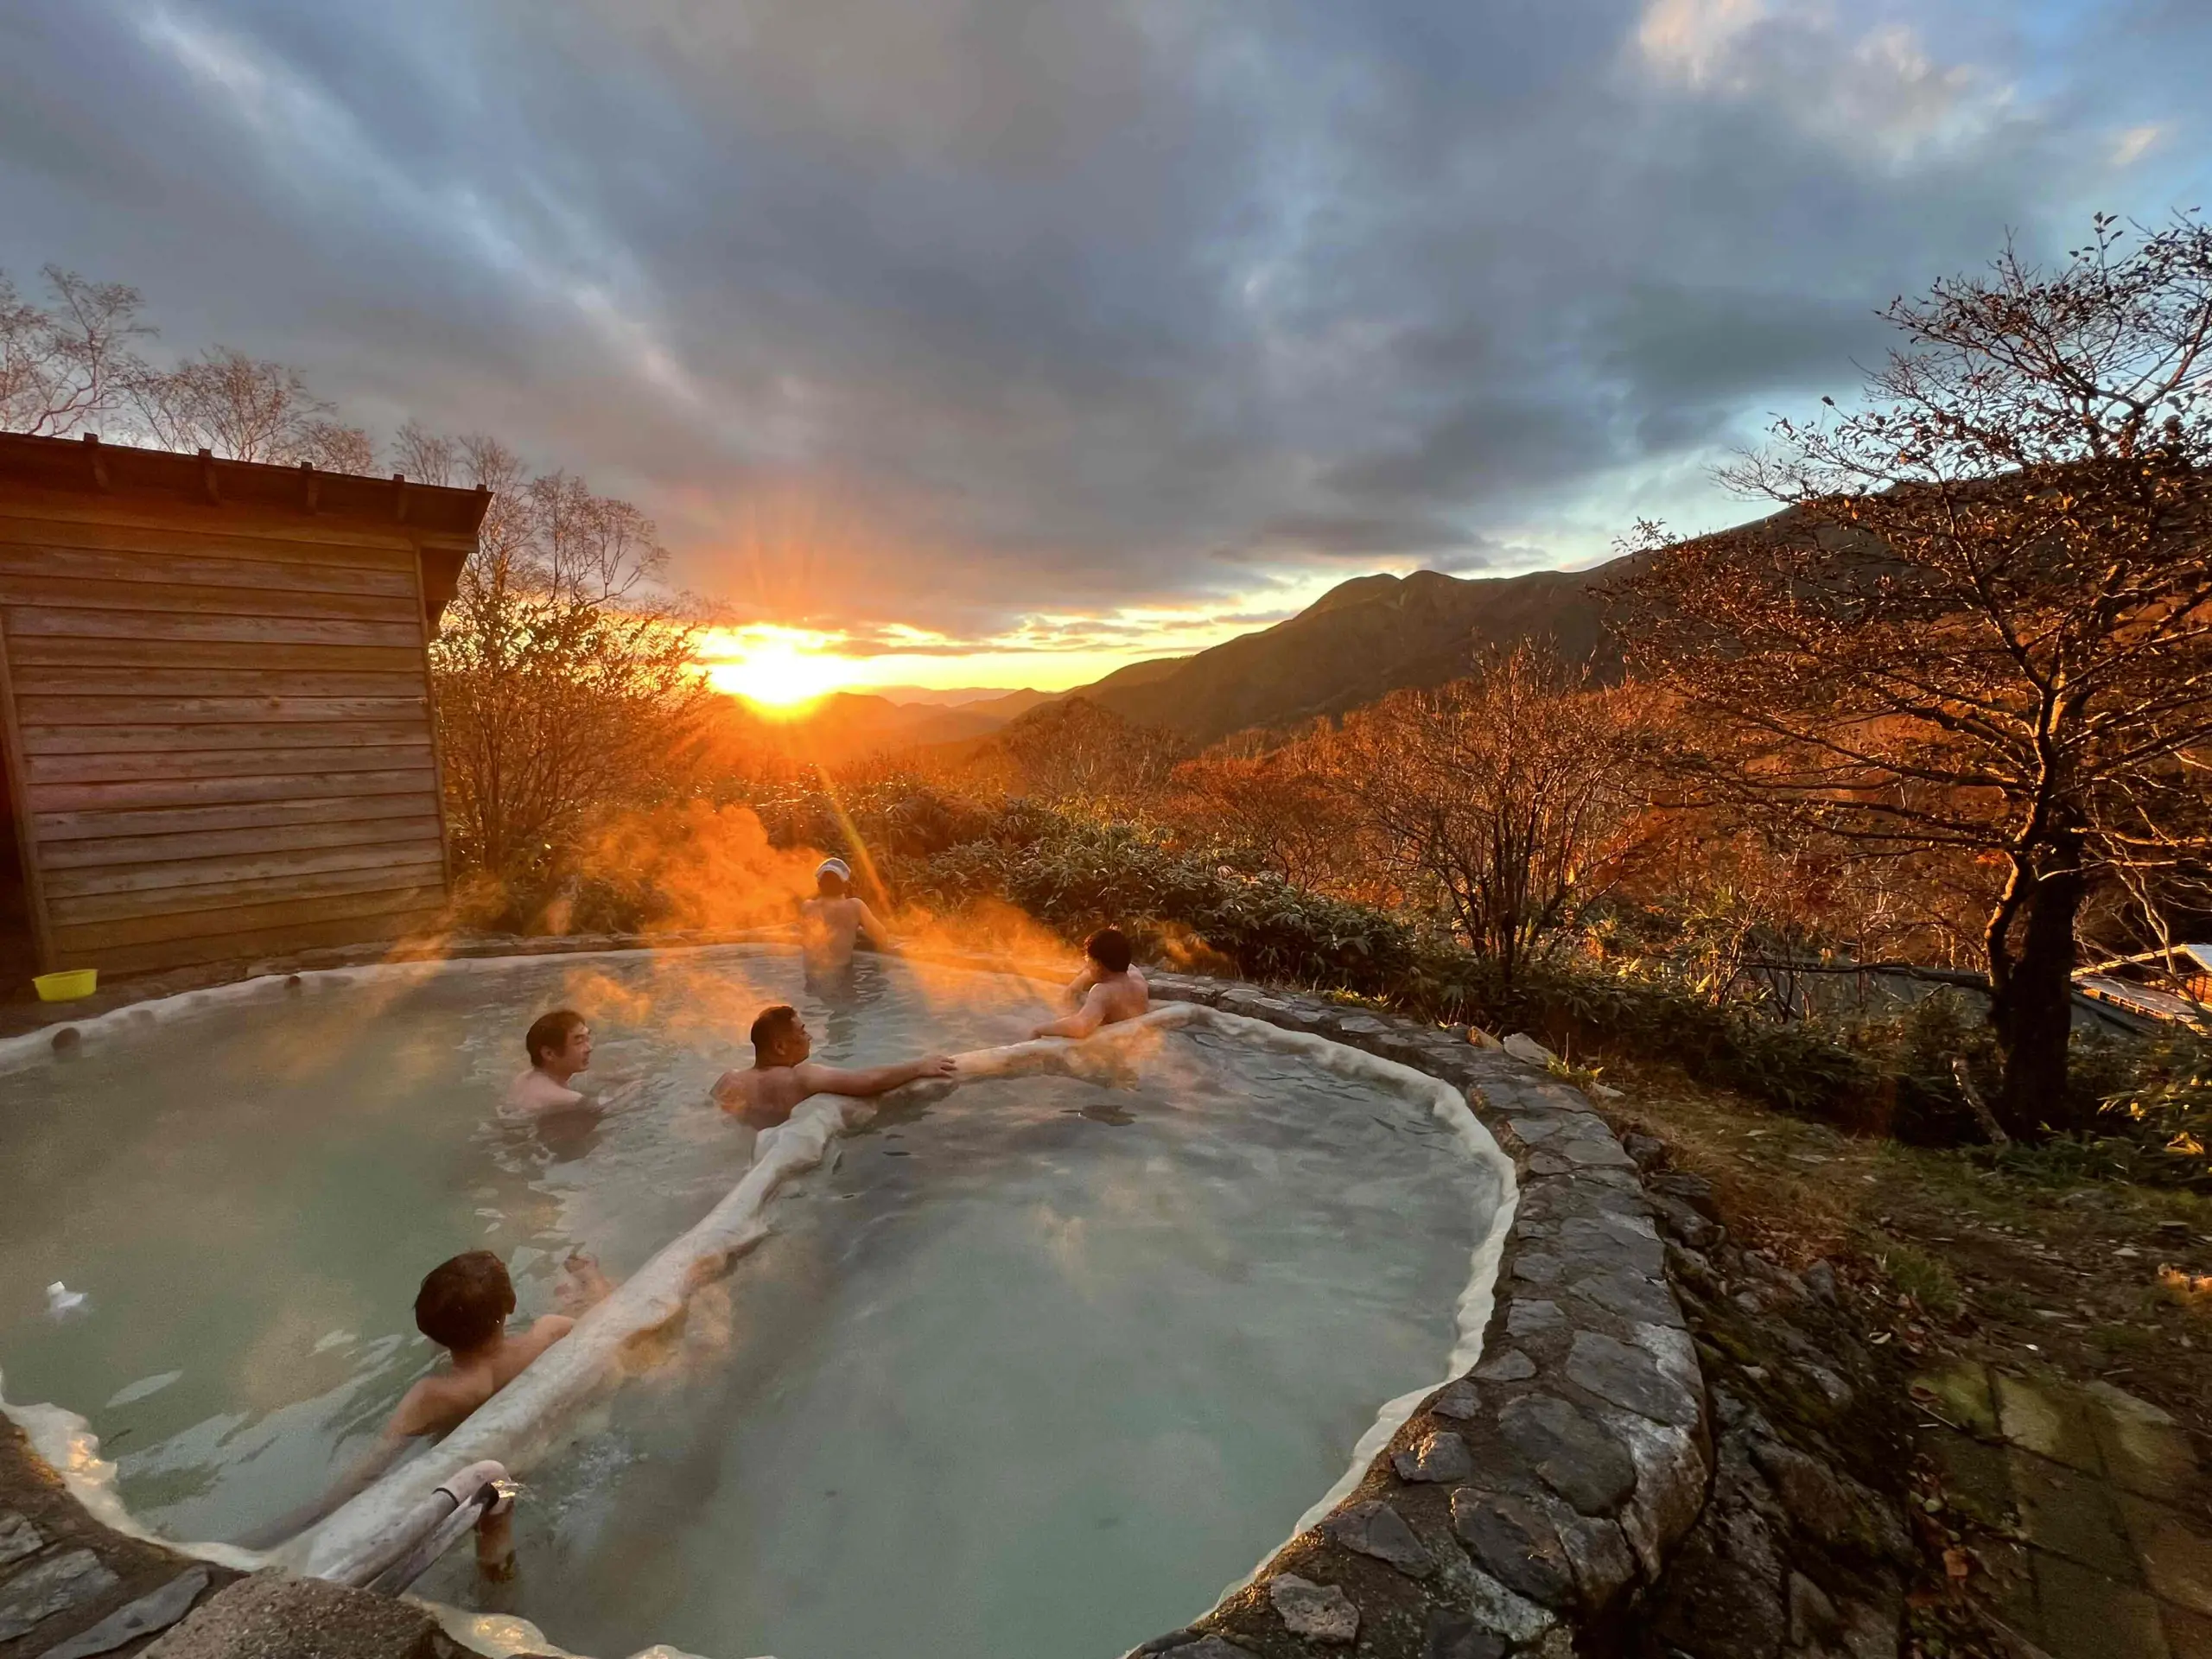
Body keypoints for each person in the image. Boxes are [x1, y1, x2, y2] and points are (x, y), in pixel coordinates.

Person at [240, 1249, 612, 1556]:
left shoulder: (435, 1396)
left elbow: (371, 1469)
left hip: (474, 1487)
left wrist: (318, 1512)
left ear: (427, 1329)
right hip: (535, 1461)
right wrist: (590, 1275)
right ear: (512, 1305)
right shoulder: (546, 1332)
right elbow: (609, 1316)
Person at [711, 1004, 955, 1156]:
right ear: (780, 1046)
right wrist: (919, 1066)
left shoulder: (729, 1082)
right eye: (802, 1031)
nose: (810, 1036)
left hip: (747, 1152)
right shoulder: (800, 1077)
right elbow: (867, 1082)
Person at [1033, 926, 1149, 1039]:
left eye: (1088, 961)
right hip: (1134, 1041)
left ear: (1098, 964)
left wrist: (1039, 1029)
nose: (1087, 966)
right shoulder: (1139, 982)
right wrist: (1083, 978)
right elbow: (1129, 966)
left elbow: (1081, 1027)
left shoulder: (1103, 992)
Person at [799, 858, 895, 976]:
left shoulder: (807, 907)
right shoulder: (855, 906)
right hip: (840, 975)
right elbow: (881, 936)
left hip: (810, 975)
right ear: (845, 884)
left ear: (819, 884)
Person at [504, 1009, 594, 1113]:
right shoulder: (571, 1101)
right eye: (579, 1042)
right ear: (549, 1054)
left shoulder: (521, 1080)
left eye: (587, 1039)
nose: (589, 1048)